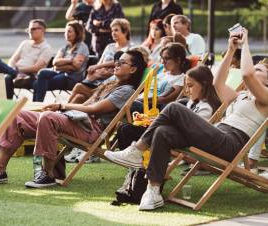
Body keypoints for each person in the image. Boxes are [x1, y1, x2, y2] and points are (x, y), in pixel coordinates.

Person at [104, 28, 268, 211]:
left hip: (230, 144)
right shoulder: (240, 95)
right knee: (163, 132)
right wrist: (230, 50)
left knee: (175, 107)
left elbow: (247, 74)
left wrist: (245, 44)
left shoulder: (265, 99)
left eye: (259, 68)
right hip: (216, 135)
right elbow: (217, 83)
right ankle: (153, 190)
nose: (254, 68)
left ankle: (137, 150)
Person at [0, 50, 147, 188]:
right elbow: (88, 102)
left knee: (48, 117)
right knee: (17, 115)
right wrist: (64, 110)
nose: (116, 64)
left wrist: (62, 106)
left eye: (122, 62)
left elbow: (94, 109)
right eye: (117, 61)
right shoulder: (111, 82)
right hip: (77, 120)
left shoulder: (126, 90)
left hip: (91, 129)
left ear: (133, 69)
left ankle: (48, 174)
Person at [68, 18, 133, 104]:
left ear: (125, 31)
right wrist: (95, 72)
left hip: (109, 85)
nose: (113, 33)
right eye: (112, 30)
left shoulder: (130, 48)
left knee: (78, 86)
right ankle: (65, 114)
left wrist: (98, 67)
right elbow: (100, 62)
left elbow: (118, 62)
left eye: (116, 30)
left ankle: (61, 109)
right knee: (79, 97)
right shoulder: (110, 46)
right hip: (98, 81)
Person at [0, 19, 53, 99]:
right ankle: (7, 105)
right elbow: (12, 60)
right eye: (28, 29)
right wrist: (14, 71)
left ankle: (7, 106)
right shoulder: (25, 43)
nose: (30, 31)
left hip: (30, 76)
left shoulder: (46, 48)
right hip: (15, 73)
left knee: (4, 78)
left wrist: (18, 70)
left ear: (42, 30)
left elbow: (36, 68)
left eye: (33, 29)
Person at [33, 21, 89, 102]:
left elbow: (76, 66)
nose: (66, 34)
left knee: (37, 84)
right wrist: (70, 60)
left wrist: (61, 65)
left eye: (69, 31)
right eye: (65, 31)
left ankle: (37, 105)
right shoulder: (65, 47)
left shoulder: (82, 47)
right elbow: (55, 62)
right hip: (60, 73)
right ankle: (37, 105)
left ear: (77, 33)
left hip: (71, 78)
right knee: (42, 73)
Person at [132, 42, 190, 113]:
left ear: (178, 60)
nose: (163, 62)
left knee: (129, 104)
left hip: (152, 108)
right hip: (141, 101)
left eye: (166, 58)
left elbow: (164, 99)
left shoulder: (180, 79)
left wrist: (140, 100)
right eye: (162, 58)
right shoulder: (162, 73)